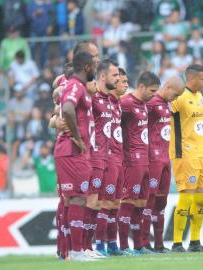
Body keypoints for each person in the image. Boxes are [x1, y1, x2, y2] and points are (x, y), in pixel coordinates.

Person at [54, 51, 98, 261]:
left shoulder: (77, 87)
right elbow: (68, 108)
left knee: (74, 199)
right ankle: (77, 251)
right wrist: (78, 137)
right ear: (87, 67)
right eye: (95, 65)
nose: (96, 69)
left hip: (71, 151)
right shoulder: (76, 85)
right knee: (78, 198)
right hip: (72, 151)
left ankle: (73, 251)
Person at [170, 64, 203, 252]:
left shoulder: (200, 97)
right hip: (185, 154)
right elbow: (163, 115)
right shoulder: (179, 98)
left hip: (202, 154)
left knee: (201, 199)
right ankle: (177, 242)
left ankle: (195, 241)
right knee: (187, 198)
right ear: (192, 78)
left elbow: (201, 127)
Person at [117, 71, 160, 254]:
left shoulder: (144, 104)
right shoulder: (125, 103)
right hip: (131, 162)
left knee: (141, 204)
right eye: (152, 90)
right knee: (128, 202)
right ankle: (123, 246)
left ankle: (139, 245)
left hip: (145, 161)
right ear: (141, 86)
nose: (154, 94)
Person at [141, 76, 185, 252]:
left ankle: (159, 244)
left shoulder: (165, 104)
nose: (175, 99)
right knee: (149, 200)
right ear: (167, 88)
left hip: (165, 159)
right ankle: (143, 243)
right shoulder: (150, 103)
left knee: (161, 202)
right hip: (153, 159)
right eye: (175, 95)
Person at [94, 67, 128, 256]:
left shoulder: (116, 103)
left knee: (116, 204)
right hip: (105, 157)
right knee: (104, 204)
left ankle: (112, 244)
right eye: (120, 80)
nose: (123, 84)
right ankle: (99, 245)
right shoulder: (99, 99)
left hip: (118, 157)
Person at [87, 59, 119, 255]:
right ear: (102, 76)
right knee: (92, 203)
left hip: (108, 157)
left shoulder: (110, 101)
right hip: (94, 158)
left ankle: (99, 245)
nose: (118, 78)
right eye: (115, 75)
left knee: (104, 203)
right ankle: (85, 246)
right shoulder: (92, 98)